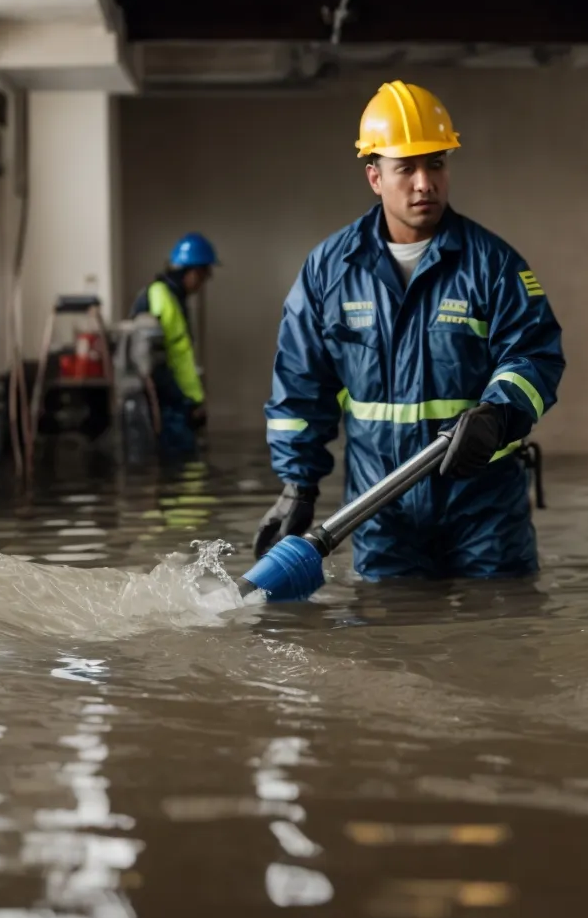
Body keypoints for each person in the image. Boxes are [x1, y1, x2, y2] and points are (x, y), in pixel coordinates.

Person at [254, 81, 565, 579]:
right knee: (387, 642)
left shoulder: (493, 265)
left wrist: (499, 414)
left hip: (482, 509)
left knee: (504, 638)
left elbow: (534, 355)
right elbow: (300, 386)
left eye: (436, 164)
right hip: (381, 513)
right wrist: (298, 485)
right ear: (375, 177)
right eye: (407, 168)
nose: (425, 182)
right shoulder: (329, 271)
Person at [132, 232, 217, 457]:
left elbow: (180, 356)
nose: (202, 283)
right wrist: (182, 401)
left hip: (181, 405)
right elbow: (153, 359)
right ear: (191, 271)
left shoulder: (175, 298)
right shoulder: (159, 296)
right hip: (171, 407)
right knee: (180, 469)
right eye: (203, 275)